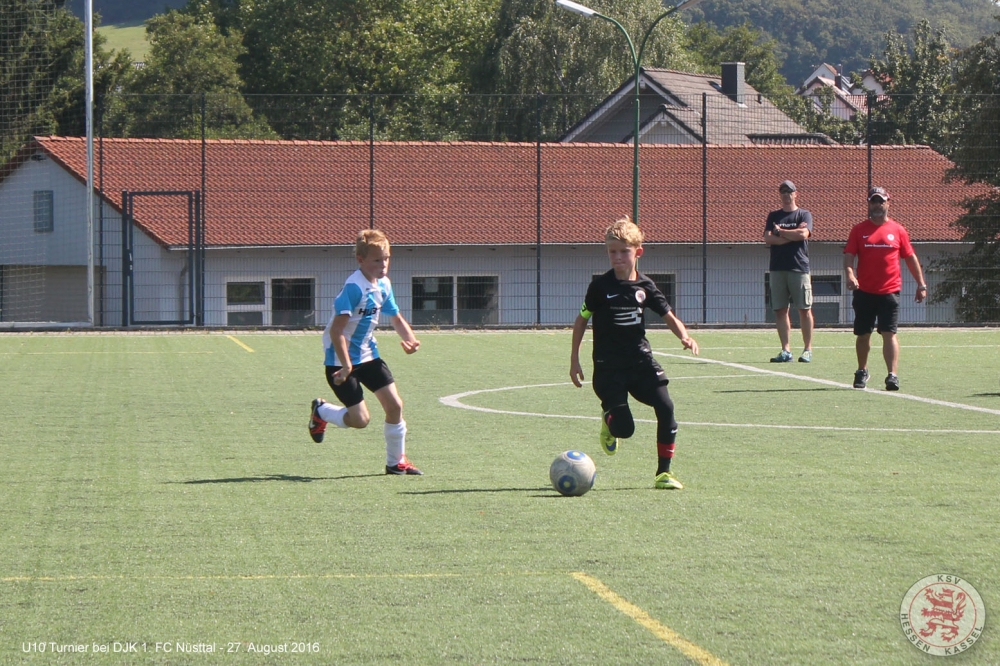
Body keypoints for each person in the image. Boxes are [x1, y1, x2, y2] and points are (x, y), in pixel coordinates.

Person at [569, 216, 699, 490]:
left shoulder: (645, 287)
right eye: (612, 251)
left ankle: (663, 473)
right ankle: (609, 420)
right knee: (625, 430)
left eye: (624, 251)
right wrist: (574, 359)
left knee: (666, 407)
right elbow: (581, 320)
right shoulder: (600, 287)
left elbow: (668, 315)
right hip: (608, 367)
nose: (617, 257)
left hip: (640, 361)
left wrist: (685, 336)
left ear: (638, 252)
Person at [308, 229, 424, 475]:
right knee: (360, 421)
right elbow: (336, 332)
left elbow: (395, 317)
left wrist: (411, 340)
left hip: (369, 356)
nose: (383, 265)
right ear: (360, 260)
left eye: (387, 258)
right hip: (339, 361)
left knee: (395, 405)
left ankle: (395, 463)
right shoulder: (354, 288)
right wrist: (346, 366)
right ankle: (322, 411)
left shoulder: (384, 284)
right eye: (377, 260)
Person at [844, 187, 927, 391]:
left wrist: (921, 284)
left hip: (889, 292)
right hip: (864, 291)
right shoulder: (858, 230)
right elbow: (849, 256)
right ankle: (862, 370)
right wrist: (850, 275)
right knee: (863, 334)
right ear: (869, 204)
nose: (877, 205)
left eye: (881, 201)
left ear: (888, 203)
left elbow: (910, 257)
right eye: (874, 201)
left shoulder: (898, 230)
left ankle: (892, 375)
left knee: (889, 333)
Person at [764, 180, 814, 363]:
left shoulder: (804, 214)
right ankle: (786, 350)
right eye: (783, 191)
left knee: (804, 309)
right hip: (777, 268)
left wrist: (781, 232)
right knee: (780, 310)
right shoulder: (774, 216)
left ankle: (807, 349)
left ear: (795, 194)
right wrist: (791, 236)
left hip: (799, 268)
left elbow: (803, 234)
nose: (786, 194)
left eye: (789, 191)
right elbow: (768, 238)